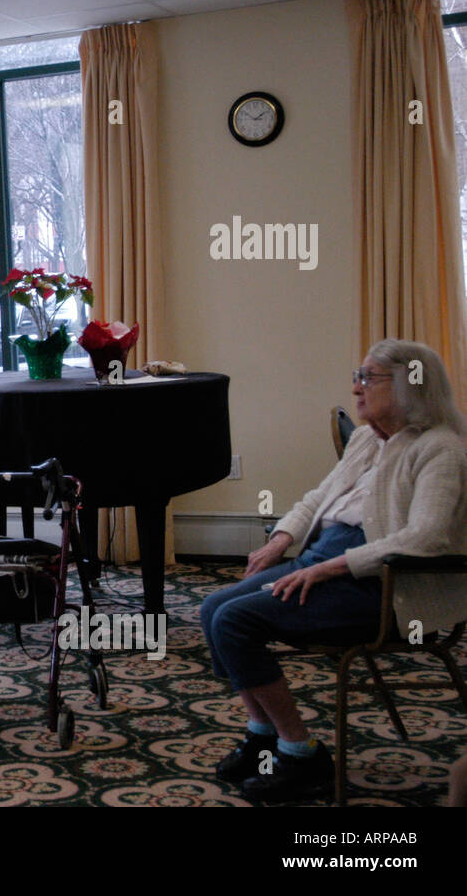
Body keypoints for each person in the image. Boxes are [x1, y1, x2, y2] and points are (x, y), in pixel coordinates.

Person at [200, 339, 467, 802]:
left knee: (236, 620)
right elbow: (317, 499)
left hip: (382, 586)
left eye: (369, 378)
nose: (357, 388)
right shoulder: (366, 439)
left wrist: (330, 570)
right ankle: (264, 735)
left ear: (409, 385)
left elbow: (427, 538)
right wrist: (280, 542)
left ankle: (302, 754)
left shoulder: (440, 448)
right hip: (323, 559)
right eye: (356, 376)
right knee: (212, 608)